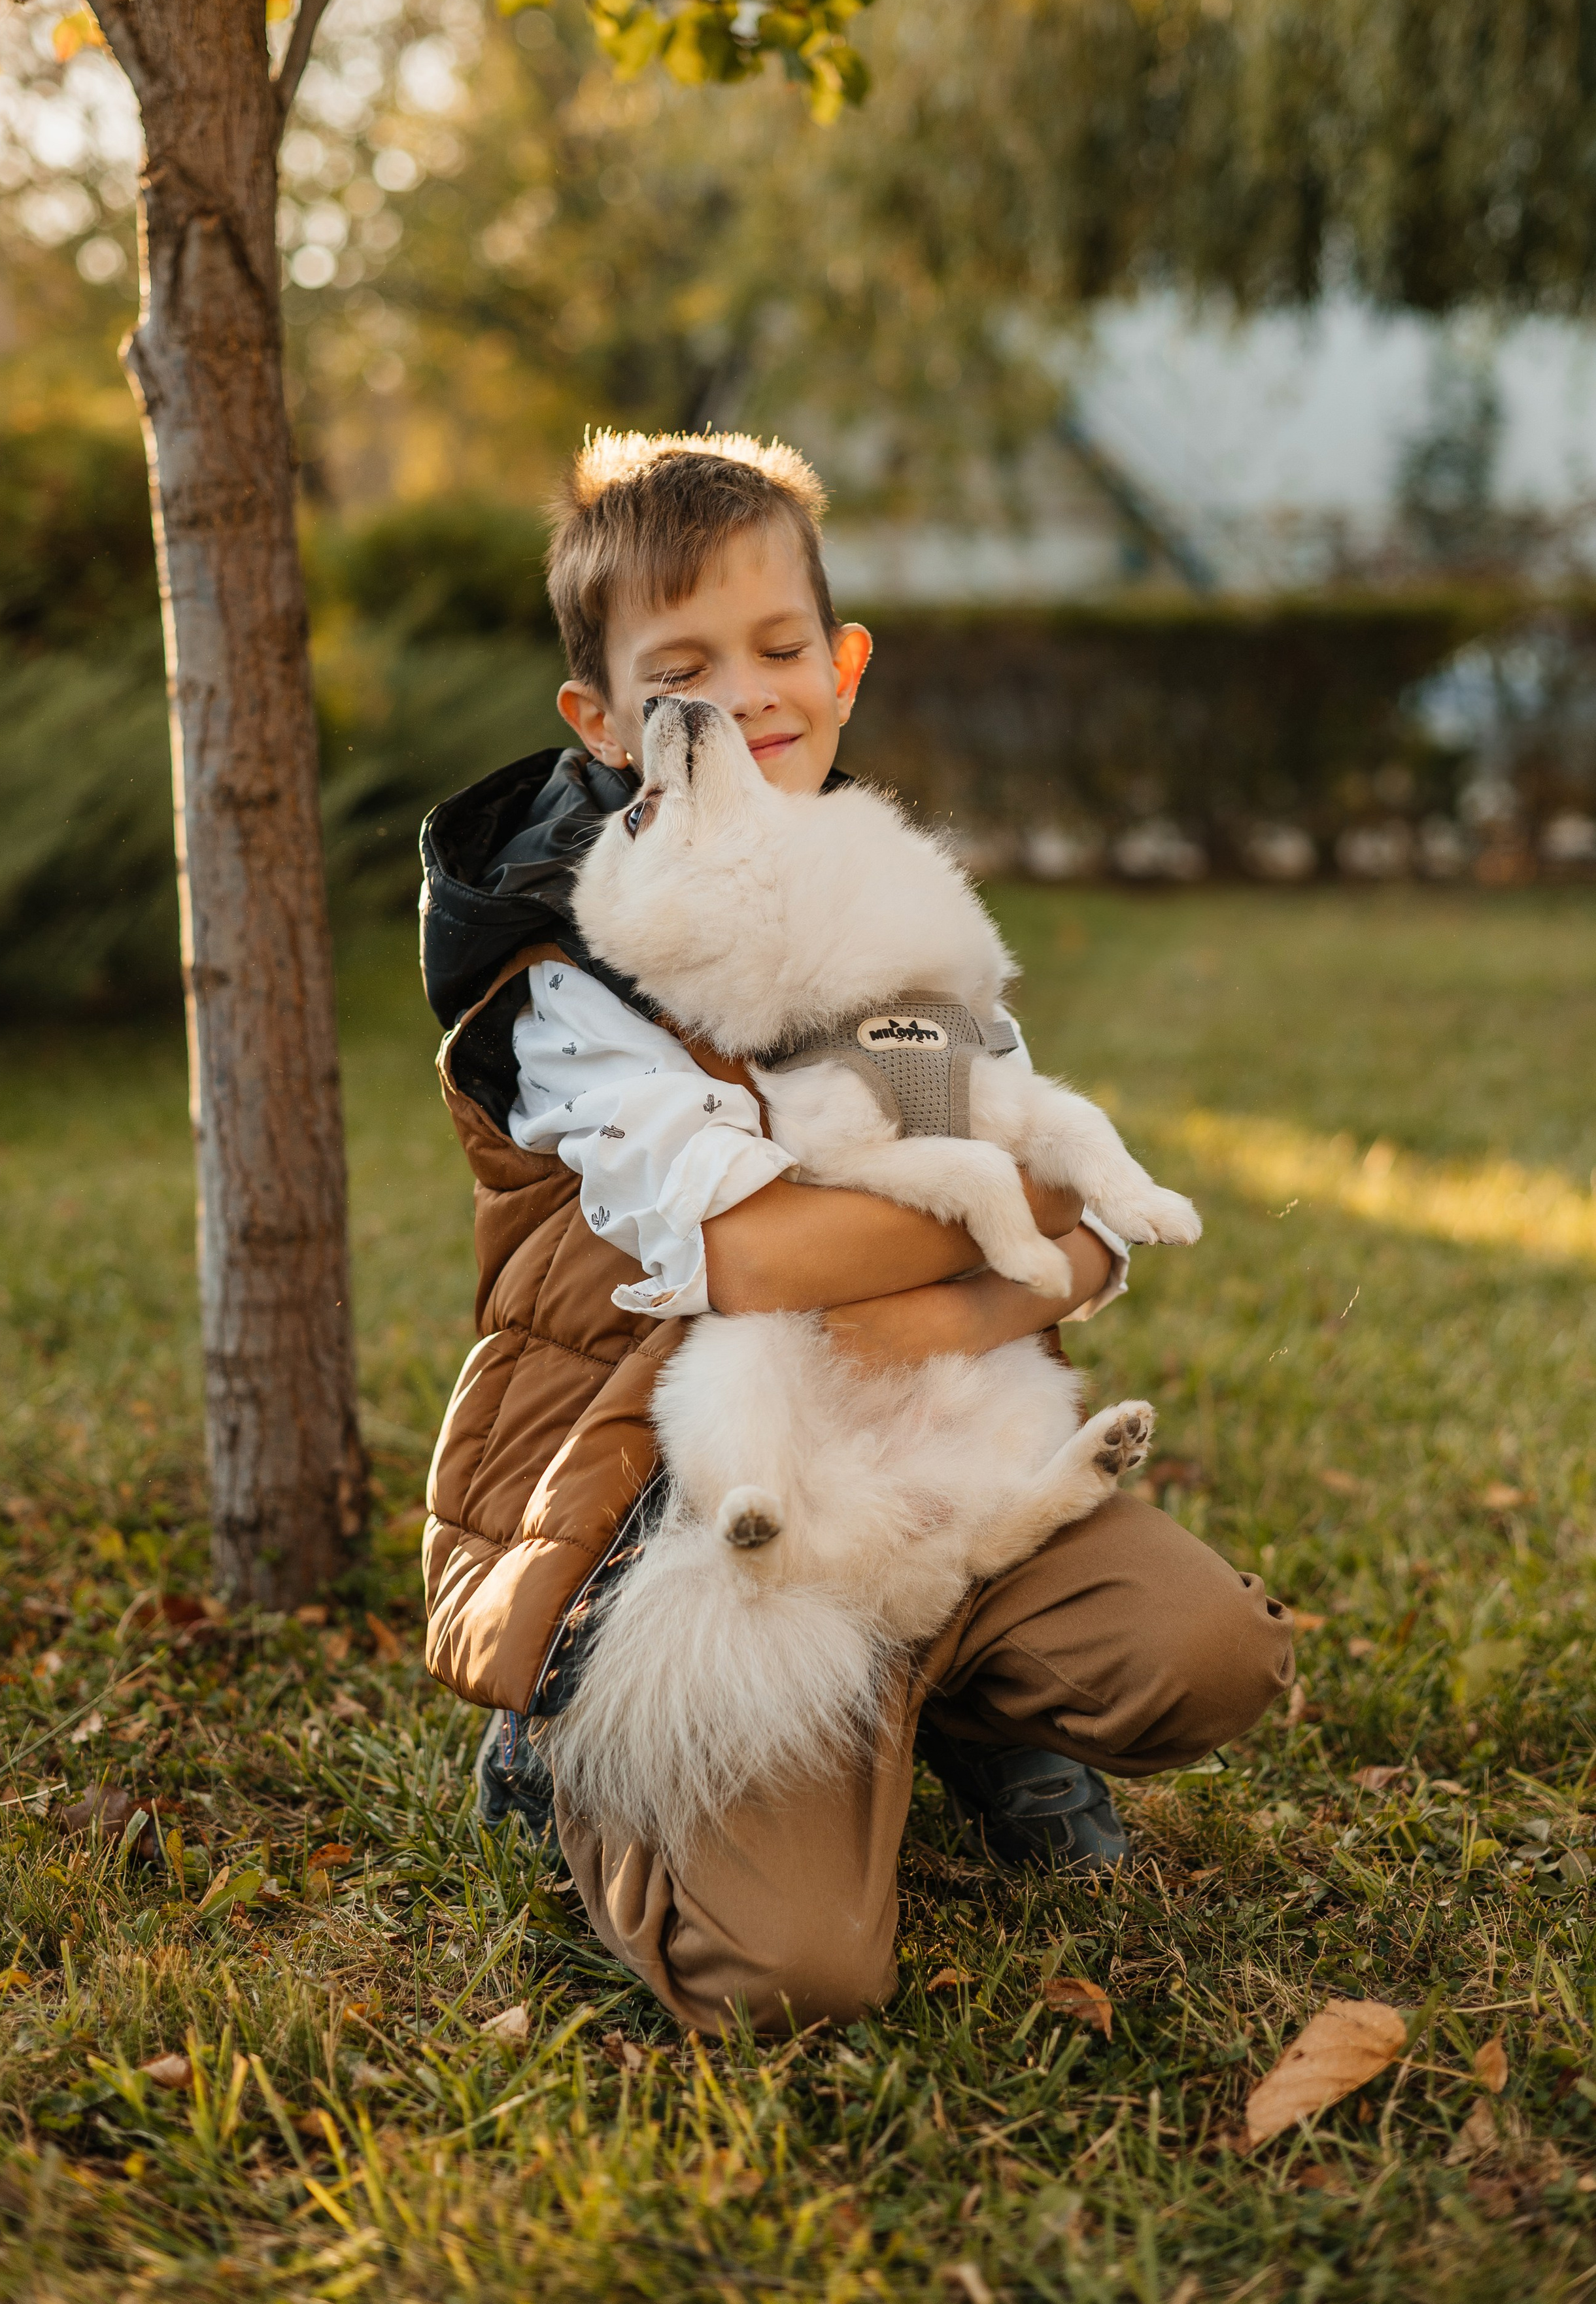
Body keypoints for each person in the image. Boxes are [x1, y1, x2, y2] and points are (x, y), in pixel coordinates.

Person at [418, 429, 1295, 2033]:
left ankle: (959, 1698)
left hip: (922, 1445)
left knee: (1206, 1654)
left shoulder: (869, 898)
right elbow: (754, 1256)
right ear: (600, 722)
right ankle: (578, 1742)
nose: (746, 695)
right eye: (679, 670)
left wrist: (991, 1285)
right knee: (797, 1974)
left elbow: (1071, 1232)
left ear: (841, 666)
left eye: (776, 648)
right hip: (684, 1508)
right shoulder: (569, 973)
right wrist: (1015, 1220)